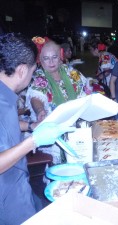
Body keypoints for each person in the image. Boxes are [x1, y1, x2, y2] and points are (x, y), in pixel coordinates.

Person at [0, 32, 75, 225]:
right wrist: (33, 141)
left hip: (19, 182)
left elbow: (6, 124)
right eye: (34, 71)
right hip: (6, 195)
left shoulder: (6, 95)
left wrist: (31, 126)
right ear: (23, 71)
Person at [26, 37, 88, 163]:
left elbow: (85, 91)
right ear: (40, 60)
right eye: (46, 58)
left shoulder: (71, 72)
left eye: (54, 57)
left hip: (76, 124)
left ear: (60, 56)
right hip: (53, 128)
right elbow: (36, 96)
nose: (51, 62)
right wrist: (40, 111)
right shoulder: (39, 76)